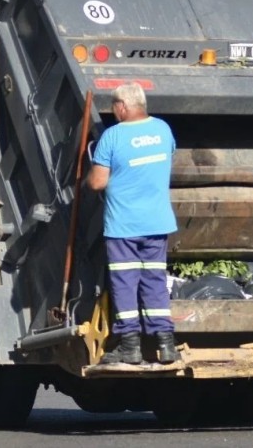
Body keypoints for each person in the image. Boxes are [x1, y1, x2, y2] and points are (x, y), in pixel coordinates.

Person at [87, 82, 180, 365]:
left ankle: (130, 347)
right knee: (154, 281)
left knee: (126, 283)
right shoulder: (163, 130)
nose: (114, 111)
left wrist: (86, 179)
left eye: (115, 106)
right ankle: (165, 345)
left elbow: (98, 182)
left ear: (123, 107)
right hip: (157, 222)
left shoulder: (112, 137)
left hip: (124, 226)